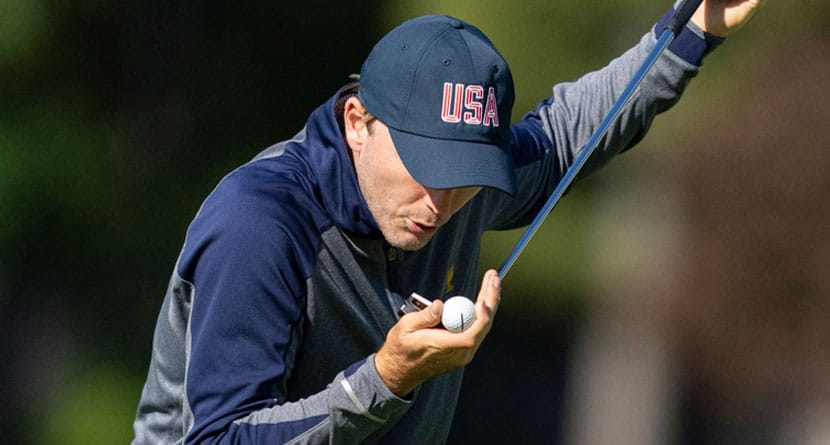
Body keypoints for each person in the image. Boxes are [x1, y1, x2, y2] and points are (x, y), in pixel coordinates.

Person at [132, 1, 764, 443]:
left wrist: (693, 32)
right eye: (427, 166)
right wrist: (383, 381)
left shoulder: (461, 189)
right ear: (358, 123)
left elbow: (576, 129)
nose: (443, 199)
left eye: (465, 171)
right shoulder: (260, 225)